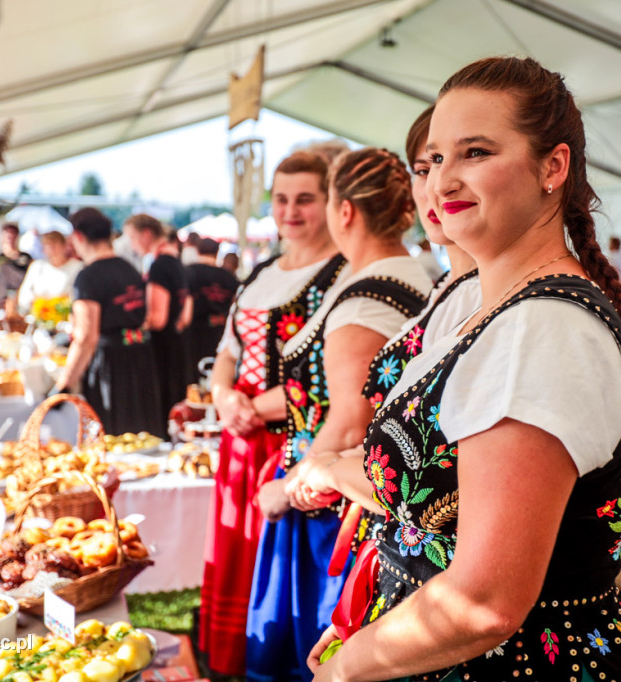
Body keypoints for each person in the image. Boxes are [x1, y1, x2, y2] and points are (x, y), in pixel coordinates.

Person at [307, 56, 621, 682]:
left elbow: (483, 604)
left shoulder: (545, 329)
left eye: (475, 152)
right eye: (436, 160)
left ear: (552, 167)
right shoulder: (498, 304)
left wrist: (346, 669)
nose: (443, 181)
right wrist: (365, 626)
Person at [248, 147, 432, 681]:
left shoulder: (366, 299)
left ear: (344, 211)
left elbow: (351, 418)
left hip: (333, 511)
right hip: (345, 493)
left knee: (317, 653)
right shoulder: (403, 276)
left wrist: (288, 487)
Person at [294, 105, 482, 556]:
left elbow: (442, 475)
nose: (439, 184)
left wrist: (324, 470)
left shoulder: (489, 300)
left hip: (424, 553)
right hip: (391, 539)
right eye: (426, 167)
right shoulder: (442, 288)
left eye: (474, 155)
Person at [199, 152, 346, 678]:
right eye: (281, 199)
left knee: (280, 571)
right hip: (240, 445)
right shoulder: (260, 272)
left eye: (305, 198)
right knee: (239, 550)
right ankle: (233, 657)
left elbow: (338, 382)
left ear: (331, 201)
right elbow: (227, 353)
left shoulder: (342, 276)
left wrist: (252, 406)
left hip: (296, 447)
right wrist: (222, 396)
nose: (290, 210)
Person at [56, 208, 163, 436]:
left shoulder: (88, 277)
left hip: (111, 367)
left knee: (114, 435)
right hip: (142, 357)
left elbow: (86, 337)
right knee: (142, 435)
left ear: (79, 237)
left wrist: (62, 386)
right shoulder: (129, 269)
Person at [123, 214, 193, 426]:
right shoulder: (177, 263)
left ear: (146, 234)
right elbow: (186, 314)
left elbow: (157, 319)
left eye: (133, 238)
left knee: (164, 411)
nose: (132, 246)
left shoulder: (160, 266)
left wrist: (132, 325)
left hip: (161, 350)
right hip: (177, 347)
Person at [185, 237, 239, 375]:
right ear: (217, 252)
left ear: (197, 251)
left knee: (195, 375)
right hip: (221, 331)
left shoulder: (188, 272)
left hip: (194, 332)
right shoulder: (228, 276)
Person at [17, 231, 84, 314]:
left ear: (64, 246)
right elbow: (24, 294)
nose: (52, 249)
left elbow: (77, 295)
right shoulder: (37, 266)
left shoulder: (77, 267)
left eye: (55, 245)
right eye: (48, 245)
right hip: (39, 316)